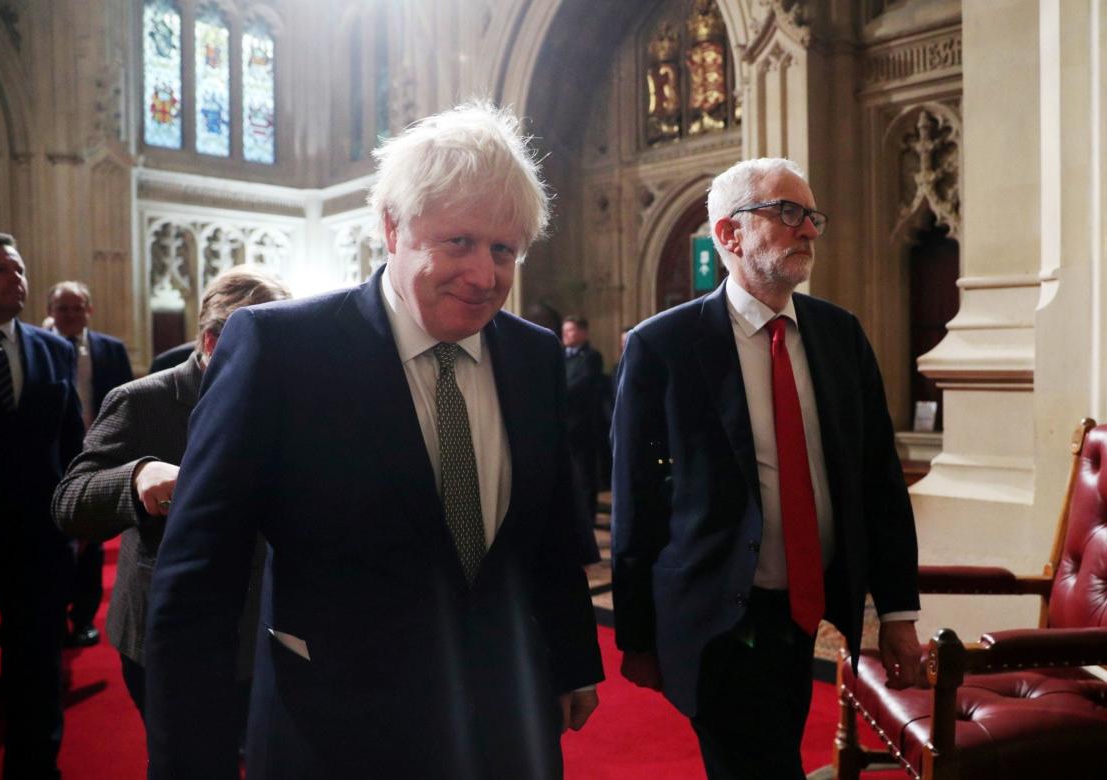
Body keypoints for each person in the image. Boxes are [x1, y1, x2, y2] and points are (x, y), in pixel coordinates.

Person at [144, 102, 603, 780]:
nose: (484, 276)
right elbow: (197, 583)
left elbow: (547, 538)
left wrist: (567, 662)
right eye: (459, 243)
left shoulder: (533, 357)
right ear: (391, 227)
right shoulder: (280, 350)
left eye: (503, 249)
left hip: (508, 723)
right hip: (336, 731)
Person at [611, 158, 921, 779]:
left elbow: (878, 481)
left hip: (805, 610)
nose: (808, 229)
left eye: (812, 216)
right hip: (717, 612)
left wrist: (896, 612)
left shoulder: (840, 336)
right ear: (729, 235)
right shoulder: (662, 346)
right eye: (787, 213)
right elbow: (636, 500)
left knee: (773, 747)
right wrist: (637, 636)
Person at [52, 265, 291, 737]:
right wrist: (137, 476)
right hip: (175, 632)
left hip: (270, 629)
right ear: (210, 343)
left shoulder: (292, 395)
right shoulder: (141, 401)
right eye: (266, 344)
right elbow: (69, 502)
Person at [0, 231, 84, 779]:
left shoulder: (54, 350)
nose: (16, 279)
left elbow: (73, 443)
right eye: (0, 270)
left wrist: (78, 514)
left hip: (39, 539)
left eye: (18, 270)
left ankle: (35, 767)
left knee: (38, 666)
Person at [46, 280, 134, 647]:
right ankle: (49, 613)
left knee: (92, 536)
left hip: (97, 453)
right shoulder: (39, 346)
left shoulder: (110, 350)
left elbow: (129, 402)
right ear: (51, 311)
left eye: (76, 307)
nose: (70, 315)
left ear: (89, 310)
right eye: (62, 308)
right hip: (49, 455)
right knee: (50, 540)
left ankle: (83, 617)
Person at [562, 315, 604, 564]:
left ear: (583, 332)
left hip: (584, 426)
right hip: (565, 425)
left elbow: (582, 385)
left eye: (571, 331)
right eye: (564, 331)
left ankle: (587, 519)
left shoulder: (591, 357)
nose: (566, 335)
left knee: (586, 473)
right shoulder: (561, 355)